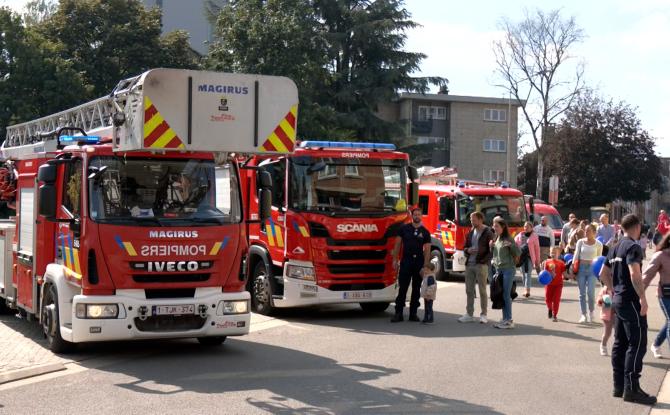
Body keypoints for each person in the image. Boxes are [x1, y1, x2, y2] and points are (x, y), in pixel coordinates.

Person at [600, 214, 656, 405]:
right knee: (637, 343)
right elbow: (635, 273)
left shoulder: (615, 248)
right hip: (630, 301)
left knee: (620, 343)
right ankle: (632, 388)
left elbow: (603, 272)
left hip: (618, 300)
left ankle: (619, 386)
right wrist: (642, 298)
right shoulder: (633, 247)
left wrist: (612, 288)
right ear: (637, 227)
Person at [391, 207, 431, 322]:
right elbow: (397, 244)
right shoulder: (404, 229)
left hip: (418, 262)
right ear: (412, 216)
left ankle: (413, 313)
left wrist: (425, 266)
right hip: (406, 261)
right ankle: (398, 313)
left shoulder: (425, 232)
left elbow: (427, 250)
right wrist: (395, 260)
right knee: (402, 287)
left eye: (419, 214)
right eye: (415, 214)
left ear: (421, 216)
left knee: (416, 288)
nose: (417, 216)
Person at [459, 211, 493, 324]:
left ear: (480, 220)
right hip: (469, 265)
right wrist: (467, 250)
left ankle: (484, 314)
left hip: (481, 265)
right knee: (469, 290)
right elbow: (465, 247)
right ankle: (469, 314)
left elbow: (491, 250)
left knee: (482, 291)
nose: (471, 221)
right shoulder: (471, 231)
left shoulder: (488, 232)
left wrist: (484, 261)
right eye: (470, 219)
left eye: (473, 219)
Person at [642, 233, 670, 359]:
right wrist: (639, 294)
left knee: (669, 321)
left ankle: (656, 344)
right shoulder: (660, 255)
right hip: (665, 295)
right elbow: (647, 276)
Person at [491, 216, 521, 329]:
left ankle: (509, 320)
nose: (495, 228)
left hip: (508, 269)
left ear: (503, 226)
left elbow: (518, 252)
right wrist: (491, 247)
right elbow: (495, 255)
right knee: (502, 294)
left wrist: (511, 245)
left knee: (506, 295)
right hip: (499, 270)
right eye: (494, 226)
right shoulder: (497, 238)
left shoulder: (508, 238)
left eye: (497, 226)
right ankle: (505, 319)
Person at [575, 224, 603, 323]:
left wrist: (600, 273)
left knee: (590, 292)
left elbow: (599, 259)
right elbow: (576, 255)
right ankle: (583, 314)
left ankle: (591, 312)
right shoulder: (580, 242)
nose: (586, 233)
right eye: (585, 231)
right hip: (581, 269)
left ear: (594, 233)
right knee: (582, 293)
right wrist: (573, 269)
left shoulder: (599, 244)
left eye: (589, 231)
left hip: (592, 270)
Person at [515, 221, 541, 298]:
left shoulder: (534, 236)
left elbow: (537, 249)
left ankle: (527, 290)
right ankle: (525, 288)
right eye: (525, 226)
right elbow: (515, 245)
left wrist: (537, 261)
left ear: (531, 228)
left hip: (529, 258)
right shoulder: (519, 235)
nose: (526, 228)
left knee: (528, 274)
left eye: (528, 227)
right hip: (521, 257)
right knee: (523, 274)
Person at [544, 246, 565, 322]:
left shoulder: (561, 263)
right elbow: (544, 273)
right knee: (547, 299)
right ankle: (550, 308)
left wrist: (571, 275)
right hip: (549, 284)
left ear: (558, 254)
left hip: (558, 284)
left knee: (556, 300)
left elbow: (564, 273)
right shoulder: (547, 262)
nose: (553, 254)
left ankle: (554, 315)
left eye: (555, 252)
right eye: (551, 252)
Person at [597, 285, 614, 356]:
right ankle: (603, 345)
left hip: (617, 314)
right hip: (606, 315)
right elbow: (598, 301)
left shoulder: (620, 287)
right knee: (608, 333)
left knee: (618, 333)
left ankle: (617, 350)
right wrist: (602, 300)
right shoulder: (605, 289)